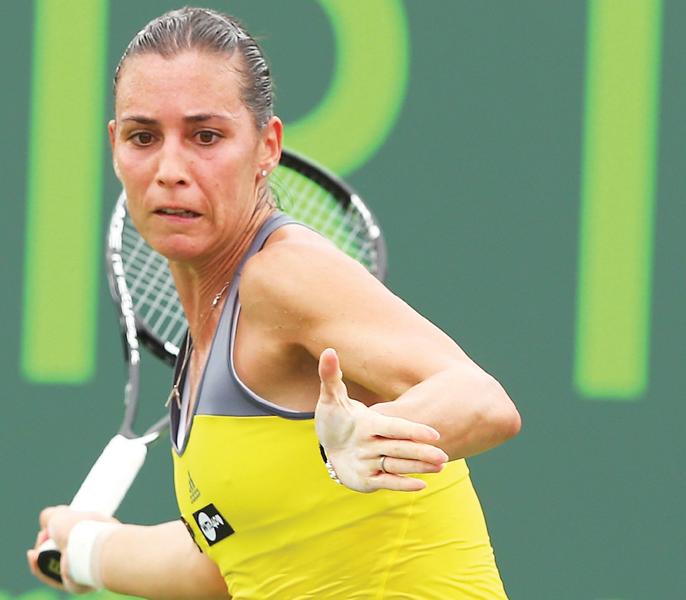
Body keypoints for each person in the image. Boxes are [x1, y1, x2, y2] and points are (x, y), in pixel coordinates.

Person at [28, 7, 521, 599]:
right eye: (143, 136)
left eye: (206, 136)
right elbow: (225, 559)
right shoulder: (207, 343)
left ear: (267, 147)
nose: (170, 169)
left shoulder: (282, 275)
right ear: (115, 148)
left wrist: (370, 438)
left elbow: (482, 399)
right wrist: (84, 550)